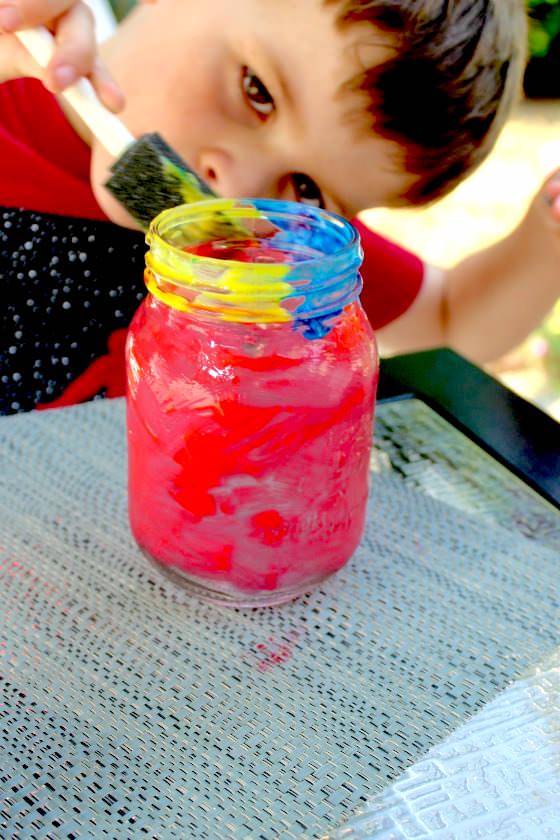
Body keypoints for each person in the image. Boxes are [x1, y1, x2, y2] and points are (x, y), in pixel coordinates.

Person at [0, 0, 558, 416]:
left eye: (308, 189)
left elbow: (454, 317)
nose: (239, 186)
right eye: (257, 91)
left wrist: (548, 230)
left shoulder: (263, 258)